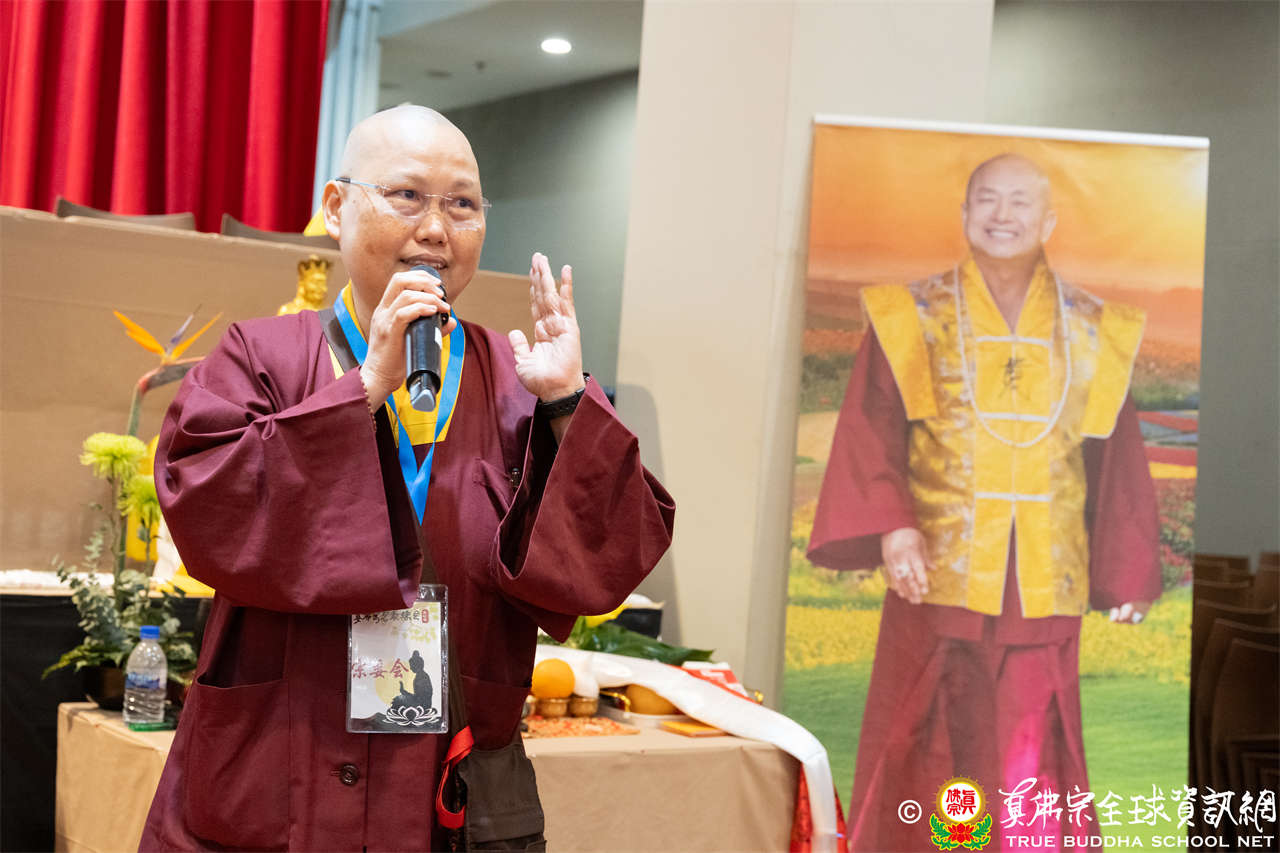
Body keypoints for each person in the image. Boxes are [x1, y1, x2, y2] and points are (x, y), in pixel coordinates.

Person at [139, 105, 675, 851]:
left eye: (462, 204)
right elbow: (206, 509)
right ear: (336, 208)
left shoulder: (517, 379)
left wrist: (564, 404)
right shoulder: (260, 358)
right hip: (281, 762)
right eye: (407, 196)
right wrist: (362, 391)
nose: (435, 229)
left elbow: (606, 564)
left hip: (450, 769)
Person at [807, 153, 1162, 852]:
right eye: (988, 200)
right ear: (965, 214)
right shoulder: (910, 315)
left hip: (1043, 580)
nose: (1003, 215)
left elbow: (1116, 459)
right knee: (926, 742)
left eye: (1020, 202)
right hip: (938, 573)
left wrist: (1123, 572)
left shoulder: (1097, 329)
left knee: (1033, 748)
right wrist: (894, 527)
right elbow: (873, 430)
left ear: (1049, 221)